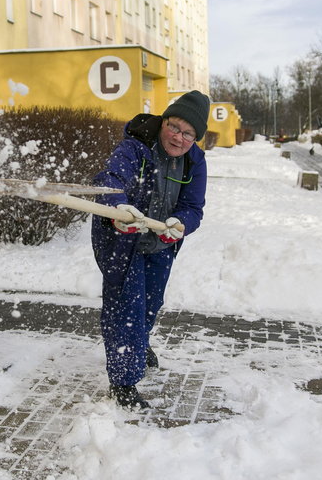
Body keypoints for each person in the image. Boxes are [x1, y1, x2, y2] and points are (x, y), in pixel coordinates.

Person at [91, 90, 209, 409]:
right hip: (120, 236)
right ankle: (124, 382)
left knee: (150, 302)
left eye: (188, 133)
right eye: (174, 126)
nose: (179, 137)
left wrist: (179, 223)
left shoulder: (194, 162)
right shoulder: (136, 147)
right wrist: (118, 208)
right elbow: (110, 181)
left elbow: (193, 208)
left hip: (160, 240)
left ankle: (139, 344)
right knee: (126, 306)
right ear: (163, 121)